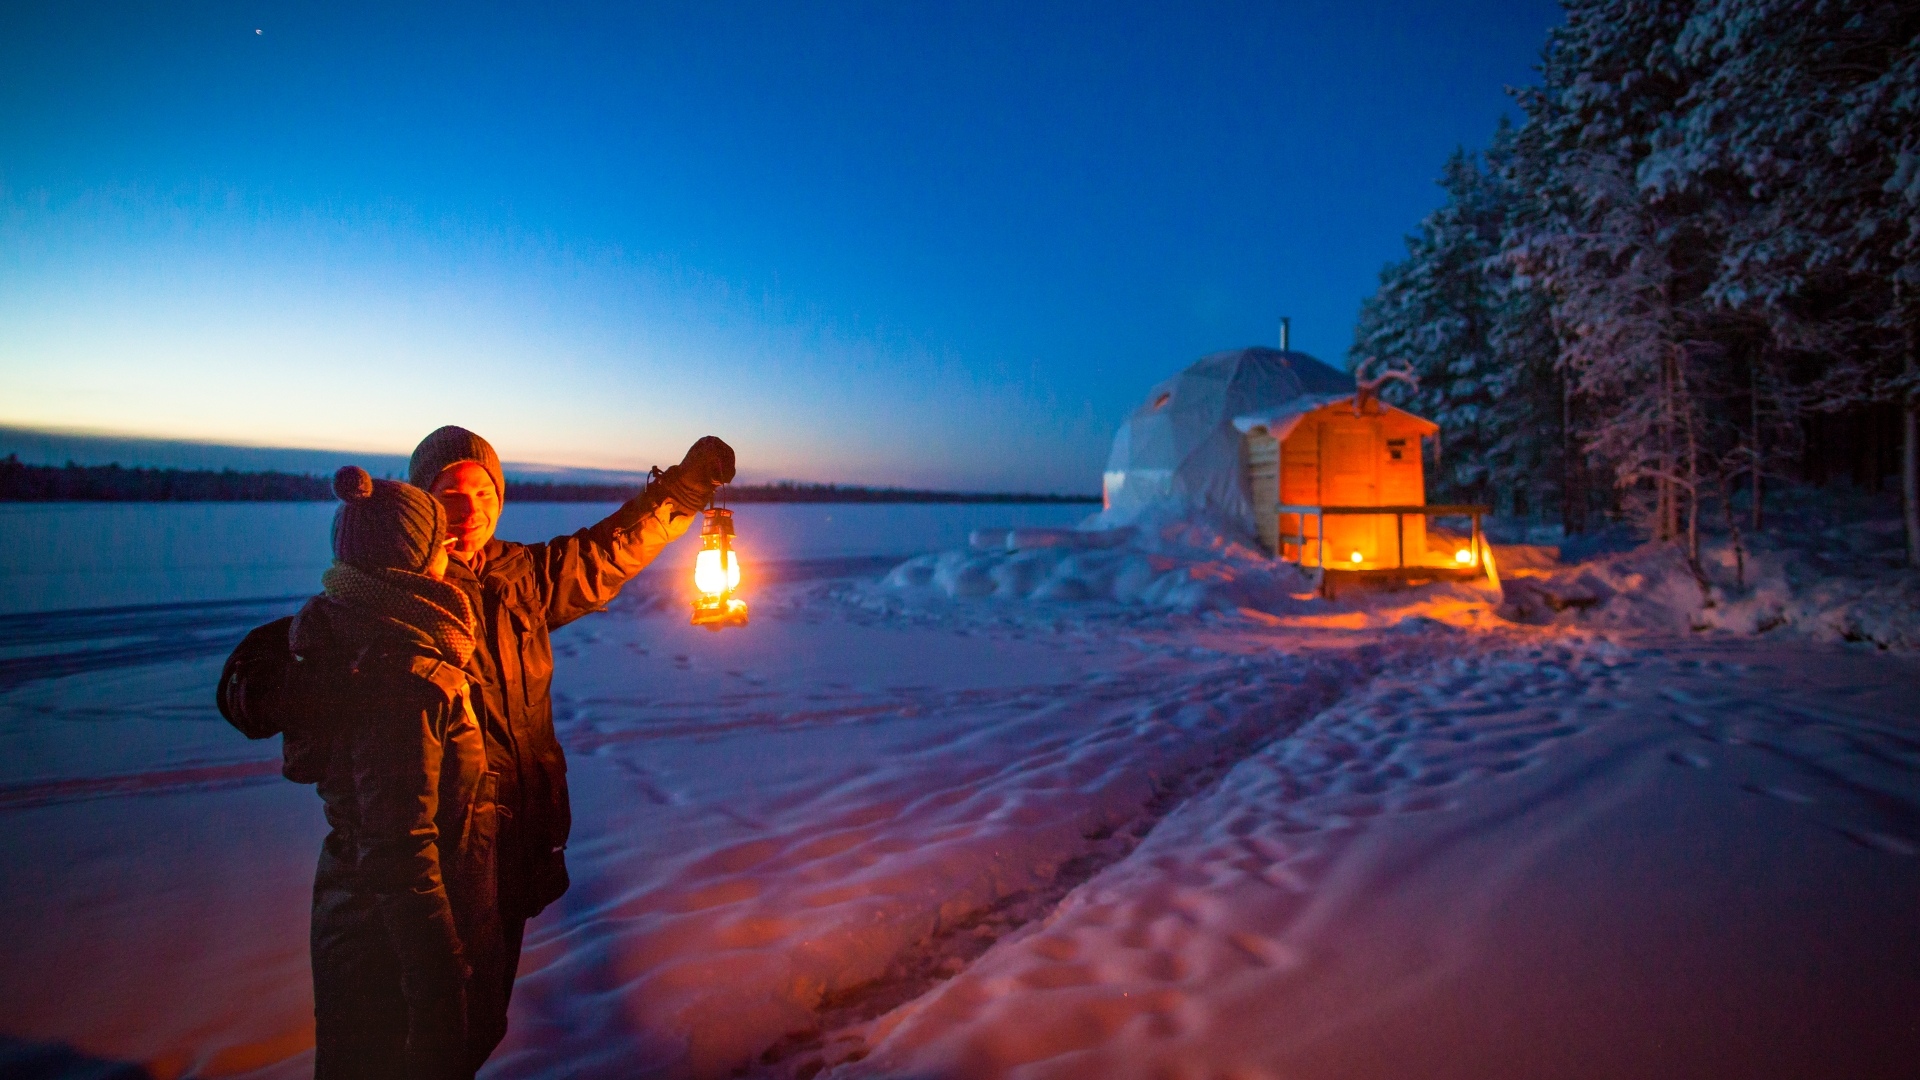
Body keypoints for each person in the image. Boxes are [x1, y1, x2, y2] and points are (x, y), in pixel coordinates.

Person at [405, 426, 735, 1066]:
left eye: (483, 492)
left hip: (514, 843)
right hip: (436, 866)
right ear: (420, 501)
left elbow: (606, 551)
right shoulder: (402, 595)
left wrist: (682, 493)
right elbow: (315, 648)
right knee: (426, 1038)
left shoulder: (518, 576)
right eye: (449, 493)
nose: (470, 510)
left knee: (479, 1025)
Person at [294, 466, 498, 1079]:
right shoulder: (399, 668)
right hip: (385, 950)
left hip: (366, 928)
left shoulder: (363, 625)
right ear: (416, 557)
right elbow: (399, 849)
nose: (450, 553)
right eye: (439, 542)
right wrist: (436, 981)